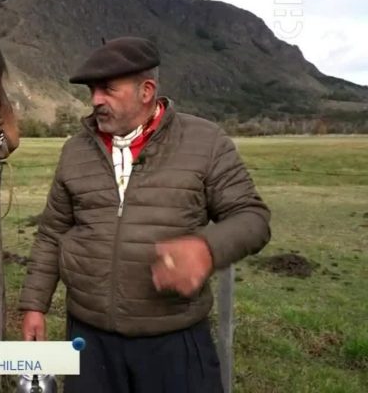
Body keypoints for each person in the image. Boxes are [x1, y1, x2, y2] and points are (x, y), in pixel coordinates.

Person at [19, 36, 271, 392]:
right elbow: (52, 233)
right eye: (92, 90)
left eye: (107, 89)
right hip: (89, 341)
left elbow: (252, 216)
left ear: (146, 91)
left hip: (174, 340)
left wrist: (207, 248)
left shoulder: (205, 142)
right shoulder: (75, 151)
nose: (95, 100)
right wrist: (34, 306)